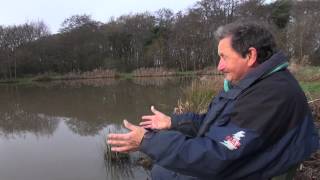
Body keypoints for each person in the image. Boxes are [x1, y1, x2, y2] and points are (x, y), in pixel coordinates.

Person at [107, 21, 319, 180]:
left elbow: (217, 157)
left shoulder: (270, 95)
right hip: (243, 159)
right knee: (162, 170)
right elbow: (213, 122)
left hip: (257, 169)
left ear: (250, 56)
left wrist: (147, 141)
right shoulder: (249, 83)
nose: (219, 67)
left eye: (224, 57)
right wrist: (173, 123)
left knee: (163, 173)